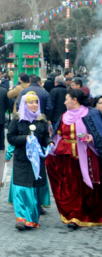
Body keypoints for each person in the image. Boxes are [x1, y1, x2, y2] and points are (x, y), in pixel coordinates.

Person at [46, 89, 102, 229]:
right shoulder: (64, 115)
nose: (64, 102)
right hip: (66, 157)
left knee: (88, 187)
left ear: (74, 100)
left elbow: (98, 132)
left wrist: (91, 138)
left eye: (67, 99)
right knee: (71, 186)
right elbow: (58, 135)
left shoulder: (91, 113)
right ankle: (74, 216)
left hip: (87, 157)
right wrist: (52, 147)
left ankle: (89, 213)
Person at [6, 92, 52, 230]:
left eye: (36, 102)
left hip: (36, 162)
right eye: (30, 102)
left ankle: (31, 219)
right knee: (21, 189)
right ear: (24, 104)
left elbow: (44, 137)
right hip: (21, 160)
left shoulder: (41, 121)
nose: (34, 105)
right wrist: (25, 138)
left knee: (35, 189)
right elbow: (11, 138)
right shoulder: (17, 120)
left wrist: (49, 142)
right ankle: (21, 218)